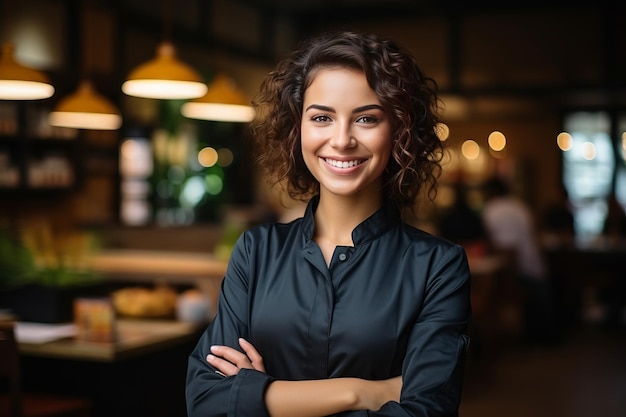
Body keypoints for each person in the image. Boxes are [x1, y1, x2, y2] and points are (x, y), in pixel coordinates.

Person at [186, 31, 471, 417]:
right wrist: (360, 393)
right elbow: (206, 401)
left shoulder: (438, 266)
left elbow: (426, 410)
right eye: (322, 117)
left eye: (366, 118)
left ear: (399, 131)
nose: (341, 140)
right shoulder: (256, 252)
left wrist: (260, 397)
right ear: (297, 127)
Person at [481, 176, 556, 344]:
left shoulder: (493, 209)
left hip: (520, 272)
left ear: (491, 192)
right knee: (541, 316)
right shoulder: (520, 206)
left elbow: (510, 251)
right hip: (536, 266)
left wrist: (509, 284)